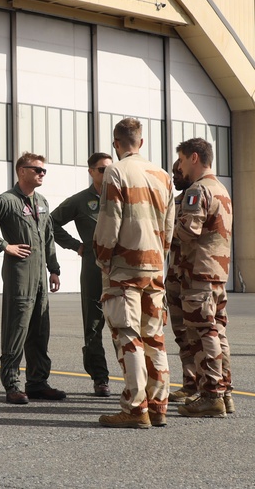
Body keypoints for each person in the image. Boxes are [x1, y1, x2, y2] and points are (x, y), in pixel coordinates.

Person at [93, 118, 174, 429]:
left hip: (125, 268)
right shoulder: (162, 175)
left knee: (128, 336)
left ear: (116, 143)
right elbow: (169, 227)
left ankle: (135, 408)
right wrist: (158, 257)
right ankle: (158, 406)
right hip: (154, 266)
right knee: (154, 337)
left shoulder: (115, 170)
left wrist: (103, 259)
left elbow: (109, 221)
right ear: (141, 142)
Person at [0, 152, 66, 405]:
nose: (42, 174)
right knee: (17, 329)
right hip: (19, 276)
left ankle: (37, 383)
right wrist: (4, 245)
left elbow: (48, 238)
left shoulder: (42, 202)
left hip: (39, 278)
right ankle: (12, 384)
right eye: (37, 169)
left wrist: (54, 269)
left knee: (39, 330)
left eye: (44, 170)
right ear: (21, 171)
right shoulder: (6, 201)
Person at [174, 137, 234, 418]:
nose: (182, 166)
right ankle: (225, 392)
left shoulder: (197, 190)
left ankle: (211, 396)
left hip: (199, 272)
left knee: (203, 331)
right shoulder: (221, 188)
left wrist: (163, 226)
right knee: (217, 330)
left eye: (183, 160)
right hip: (217, 273)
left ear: (194, 158)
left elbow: (188, 231)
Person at [50, 152, 113, 397]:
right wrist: (76, 245)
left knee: (126, 324)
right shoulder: (79, 201)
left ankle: (134, 380)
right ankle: (100, 378)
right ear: (91, 172)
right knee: (94, 326)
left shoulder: (124, 197)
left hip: (121, 268)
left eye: (110, 169)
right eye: (101, 169)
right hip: (93, 269)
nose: (106, 174)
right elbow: (51, 222)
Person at [166, 159, 196, 403]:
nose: (175, 177)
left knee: (201, 333)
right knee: (181, 332)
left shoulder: (200, 197)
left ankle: (213, 387)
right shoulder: (176, 202)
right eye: (173, 173)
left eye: (178, 172)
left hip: (195, 276)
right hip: (174, 275)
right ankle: (190, 383)